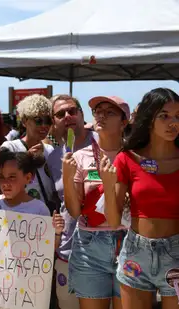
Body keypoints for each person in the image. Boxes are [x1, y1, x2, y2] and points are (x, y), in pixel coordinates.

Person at [102, 88, 179, 309]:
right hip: (136, 252)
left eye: (178, 116)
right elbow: (114, 222)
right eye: (164, 115)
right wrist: (108, 186)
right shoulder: (127, 158)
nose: (173, 122)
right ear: (149, 118)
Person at [62, 96, 130, 309]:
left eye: (110, 112)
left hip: (129, 243)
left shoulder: (134, 157)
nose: (101, 115)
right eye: (98, 111)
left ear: (124, 122)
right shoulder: (80, 157)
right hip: (89, 245)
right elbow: (74, 211)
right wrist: (67, 176)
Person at [0, 148, 64, 309]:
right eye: (1, 177)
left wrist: (56, 232)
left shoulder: (38, 209)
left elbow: (46, 251)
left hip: (25, 288)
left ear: (28, 178)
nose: (6, 183)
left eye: (12, 177)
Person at [46, 94, 97, 309]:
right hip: (68, 250)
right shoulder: (52, 156)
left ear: (81, 115)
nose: (67, 116)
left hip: (100, 250)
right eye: (60, 114)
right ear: (53, 122)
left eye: (72, 111)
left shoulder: (102, 143)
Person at [1, 94, 56, 212]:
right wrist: (26, 159)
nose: (44, 126)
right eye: (38, 120)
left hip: (45, 216)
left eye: (48, 121)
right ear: (25, 121)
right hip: (18, 216)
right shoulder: (10, 147)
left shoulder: (50, 150)